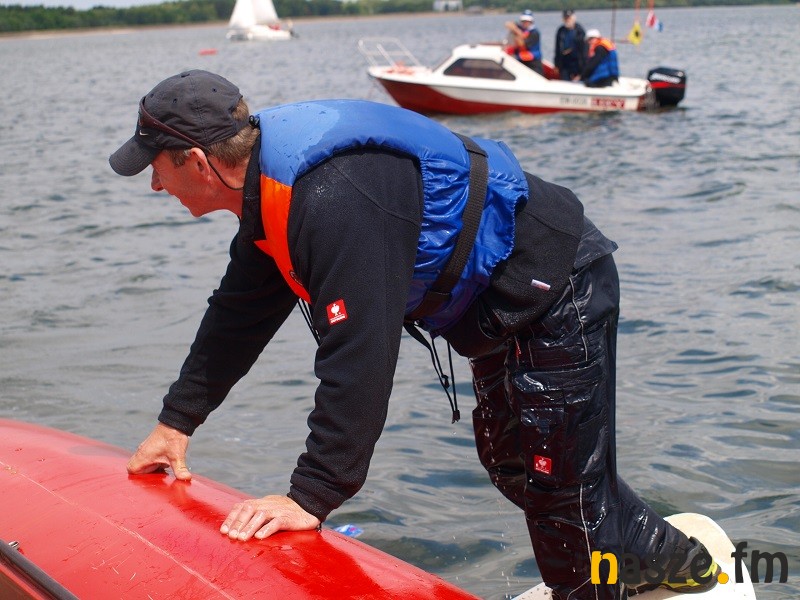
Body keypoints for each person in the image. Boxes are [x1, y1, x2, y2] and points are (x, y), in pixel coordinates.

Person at [111, 70, 720, 599]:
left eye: (156, 168)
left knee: (562, 497)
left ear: (198, 161)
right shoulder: (270, 195)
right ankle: (679, 568)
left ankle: (636, 576)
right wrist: (176, 424)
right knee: (518, 466)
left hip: (556, 285)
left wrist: (310, 497)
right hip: (502, 308)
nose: (155, 186)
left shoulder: (332, 197)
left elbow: (360, 355)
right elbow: (236, 317)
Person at [505, 10, 543, 75]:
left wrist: (515, 30)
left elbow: (522, 44)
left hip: (533, 63)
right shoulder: (522, 29)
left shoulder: (534, 33)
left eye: (527, 21)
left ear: (531, 21)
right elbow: (508, 24)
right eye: (523, 21)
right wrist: (514, 27)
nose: (525, 23)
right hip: (522, 61)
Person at [554, 9, 586, 81]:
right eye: (565, 18)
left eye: (569, 17)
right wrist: (556, 64)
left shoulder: (579, 30)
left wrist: (571, 50)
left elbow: (583, 49)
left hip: (577, 62)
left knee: (577, 81)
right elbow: (557, 48)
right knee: (565, 80)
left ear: (573, 18)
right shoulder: (561, 30)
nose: (567, 20)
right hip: (564, 62)